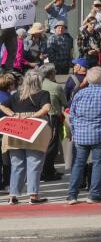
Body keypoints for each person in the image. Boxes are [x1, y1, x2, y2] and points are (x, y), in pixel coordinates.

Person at [65, 67, 101, 204]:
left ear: (87, 79)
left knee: (78, 164)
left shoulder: (79, 94)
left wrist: (76, 131)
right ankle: (94, 194)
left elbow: (72, 116)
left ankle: (72, 195)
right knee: (99, 164)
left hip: (81, 134)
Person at [2, 72, 53, 204]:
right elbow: (46, 108)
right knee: (34, 163)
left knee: (17, 164)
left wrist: (13, 115)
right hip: (35, 128)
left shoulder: (16, 95)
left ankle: (13, 195)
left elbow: (2, 105)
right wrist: (34, 116)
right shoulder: (43, 93)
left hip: (16, 127)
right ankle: (33, 195)